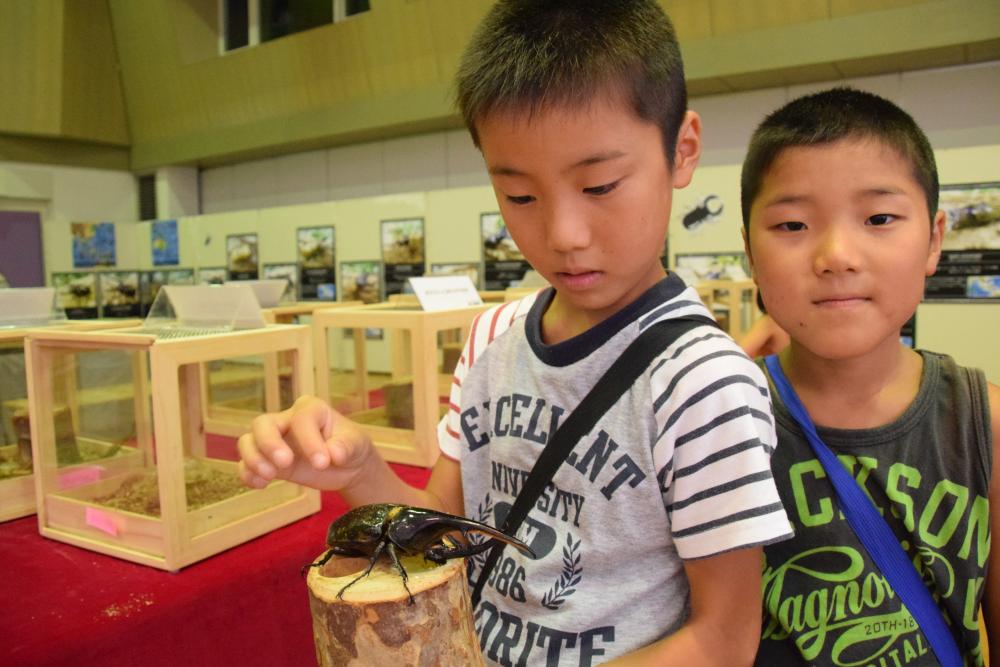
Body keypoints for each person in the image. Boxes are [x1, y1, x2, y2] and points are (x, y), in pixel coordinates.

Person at [239, 1, 793, 664]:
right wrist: (359, 467)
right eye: (521, 196)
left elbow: (724, 640)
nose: (564, 235)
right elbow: (437, 535)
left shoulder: (703, 383)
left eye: (600, 184)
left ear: (682, 149)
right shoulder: (493, 338)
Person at [739, 87, 998, 665]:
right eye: (791, 225)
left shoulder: (985, 423)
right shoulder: (721, 419)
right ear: (749, 253)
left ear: (934, 239)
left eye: (879, 218)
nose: (836, 255)